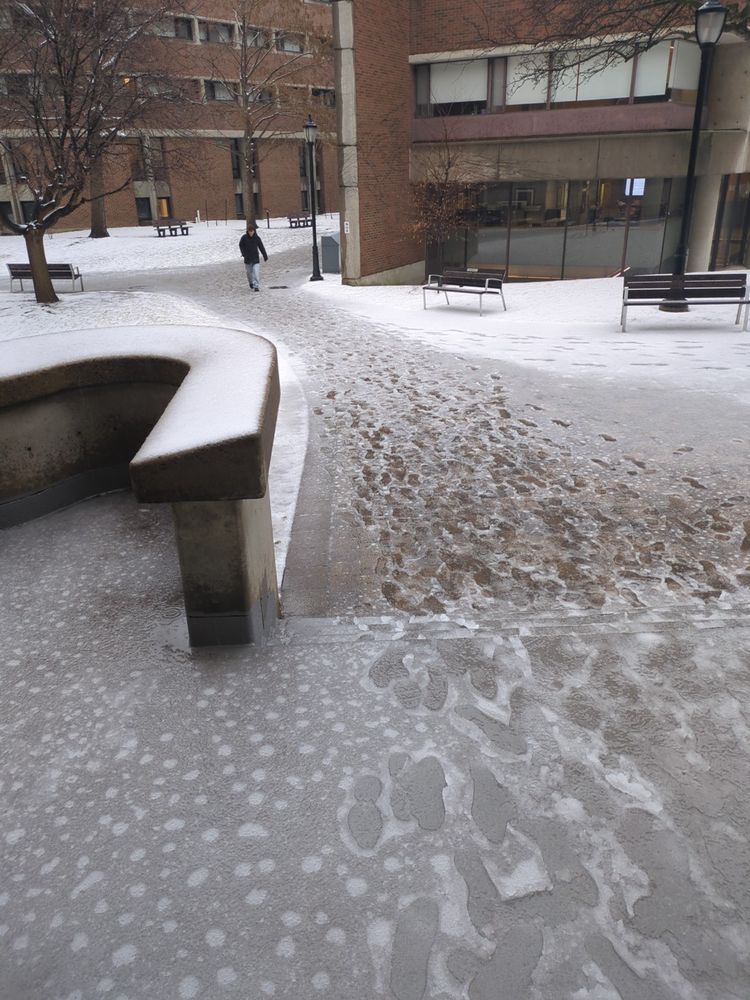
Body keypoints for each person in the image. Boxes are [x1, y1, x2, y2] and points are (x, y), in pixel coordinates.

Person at [239, 224, 268, 292]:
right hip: (247, 258)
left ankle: (256, 286)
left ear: (254, 231)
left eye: (252, 231)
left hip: (255, 258)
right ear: (247, 231)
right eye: (250, 231)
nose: (251, 232)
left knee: (256, 272)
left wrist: (265, 255)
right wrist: (243, 253)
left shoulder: (257, 238)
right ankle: (251, 282)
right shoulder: (244, 238)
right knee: (249, 273)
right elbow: (241, 245)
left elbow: (261, 247)